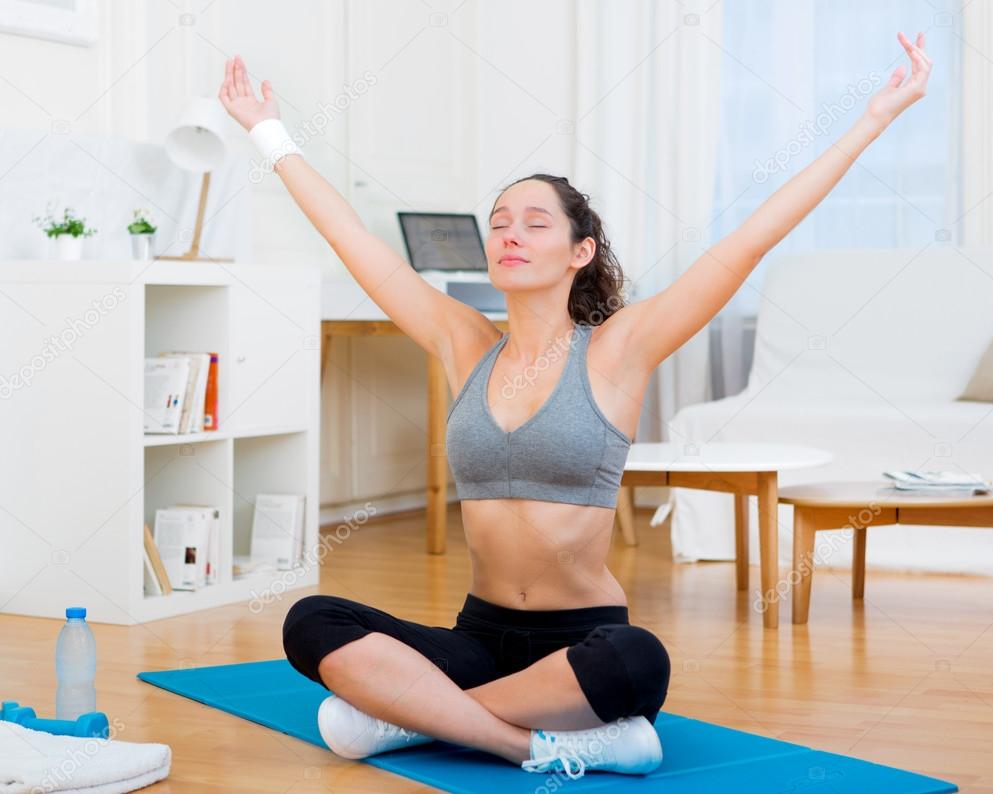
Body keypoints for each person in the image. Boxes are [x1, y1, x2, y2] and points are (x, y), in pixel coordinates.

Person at [217, 31, 931, 779]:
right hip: (477, 633)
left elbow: (749, 240)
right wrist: (269, 132)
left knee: (637, 661)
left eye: (533, 223)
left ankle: (414, 716)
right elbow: (352, 240)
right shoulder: (464, 343)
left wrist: (873, 118)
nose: (509, 235)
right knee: (311, 621)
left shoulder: (619, 350)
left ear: (579, 251)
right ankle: (520, 741)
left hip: (581, 642)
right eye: (498, 223)